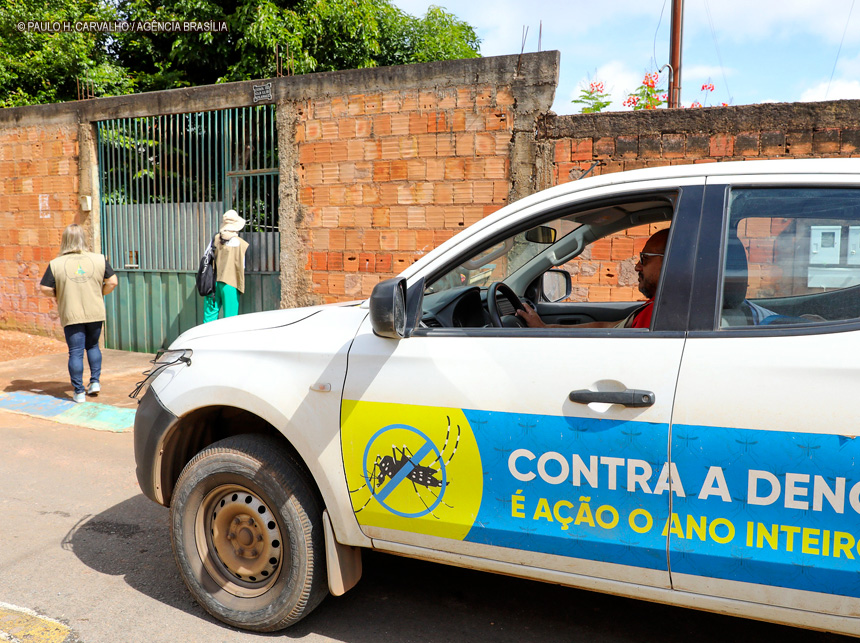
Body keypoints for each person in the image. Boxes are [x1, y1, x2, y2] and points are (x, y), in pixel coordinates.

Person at [517, 228, 669, 329]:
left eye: (644, 259)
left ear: (670, 260)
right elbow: (604, 327)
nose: (637, 267)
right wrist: (544, 329)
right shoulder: (656, 306)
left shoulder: (663, 314)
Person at [39, 223, 118, 403]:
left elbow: (44, 287)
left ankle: (79, 392)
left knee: (75, 352)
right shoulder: (99, 259)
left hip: (71, 313)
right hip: (95, 311)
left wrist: (59, 294)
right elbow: (112, 281)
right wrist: (101, 292)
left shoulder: (56, 264)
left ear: (65, 240)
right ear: (83, 238)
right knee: (93, 346)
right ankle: (95, 382)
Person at [203, 209, 249, 323]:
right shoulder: (241, 244)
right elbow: (242, 267)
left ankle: (206, 339)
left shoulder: (214, 239)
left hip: (212, 284)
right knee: (230, 320)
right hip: (231, 284)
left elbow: (205, 258)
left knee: (209, 318)